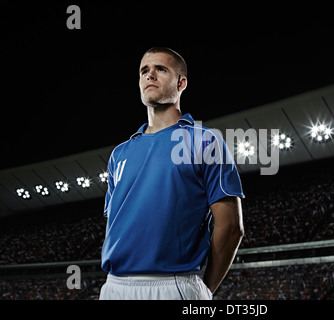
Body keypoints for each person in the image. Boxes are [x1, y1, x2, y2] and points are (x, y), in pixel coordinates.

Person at [99, 47, 245, 300]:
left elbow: (231, 227)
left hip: (174, 285)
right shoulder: (119, 153)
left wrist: (205, 290)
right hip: (113, 286)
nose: (150, 75)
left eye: (160, 69)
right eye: (144, 70)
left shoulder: (204, 141)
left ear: (181, 83)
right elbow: (114, 223)